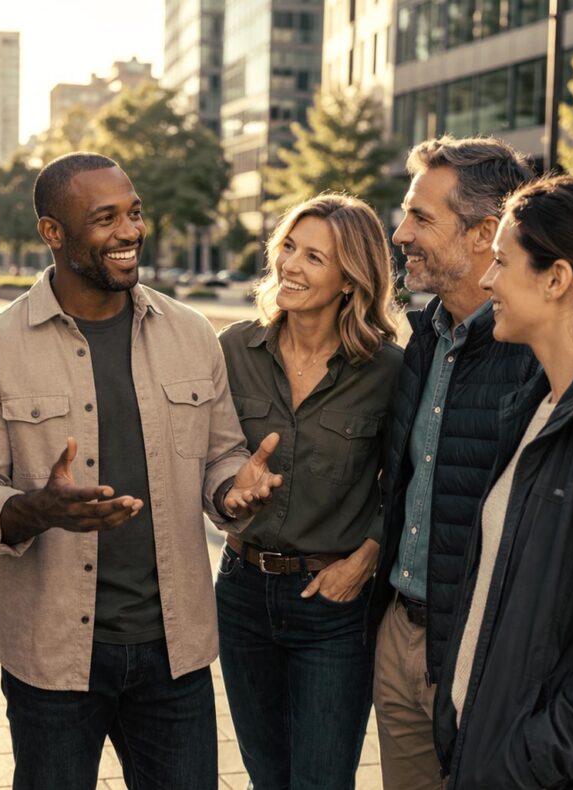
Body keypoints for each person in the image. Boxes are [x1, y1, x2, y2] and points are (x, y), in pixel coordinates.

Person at [0, 152, 283, 790]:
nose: (130, 231)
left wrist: (233, 491)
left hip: (173, 653)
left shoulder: (189, 334)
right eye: (105, 218)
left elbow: (221, 455)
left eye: (134, 213)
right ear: (53, 232)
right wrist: (37, 509)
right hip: (52, 658)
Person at [434, 176, 573, 788]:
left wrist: (530, 760)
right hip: (489, 749)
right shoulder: (538, 402)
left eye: (501, 260)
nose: (489, 279)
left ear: (556, 279)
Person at [365, 135, 537, 789]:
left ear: (483, 234)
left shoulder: (538, 355)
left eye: (421, 217)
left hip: (487, 659)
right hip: (402, 639)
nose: (400, 231)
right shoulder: (423, 340)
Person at [217, 194, 403, 789]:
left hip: (333, 604)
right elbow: (207, 462)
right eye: (288, 249)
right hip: (242, 592)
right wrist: (226, 492)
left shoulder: (389, 370)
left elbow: (408, 480)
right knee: (266, 777)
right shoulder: (232, 351)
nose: (290, 266)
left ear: (351, 279)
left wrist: (366, 559)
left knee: (321, 780)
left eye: (313, 257)